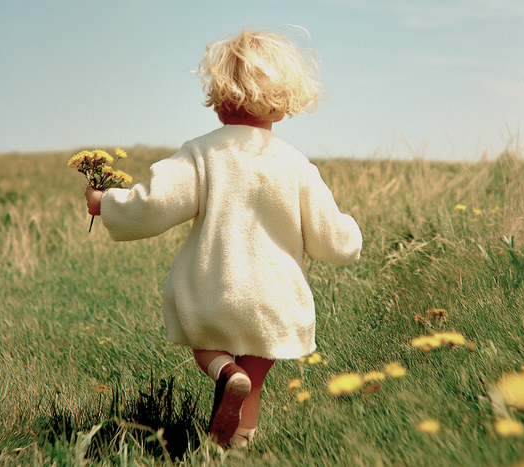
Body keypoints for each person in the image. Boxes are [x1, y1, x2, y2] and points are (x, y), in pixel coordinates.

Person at [85, 28, 362, 447]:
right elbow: (332, 240)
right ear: (283, 106)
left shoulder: (202, 153)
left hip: (214, 290)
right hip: (275, 298)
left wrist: (104, 202)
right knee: (257, 367)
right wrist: (351, 235)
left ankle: (223, 372)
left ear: (219, 101)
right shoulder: (296, 165)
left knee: (207, 344)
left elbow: (155, 205)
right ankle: (236, 443)